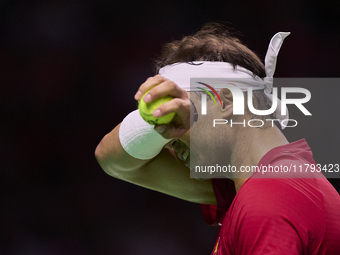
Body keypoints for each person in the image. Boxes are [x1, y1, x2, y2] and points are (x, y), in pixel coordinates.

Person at [95, 23, 340, 254]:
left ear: (227, 102)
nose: (169, 139)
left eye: (179, 114)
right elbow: (111, 159)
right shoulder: (261, 184)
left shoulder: (269, 199)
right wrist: (153, 119)